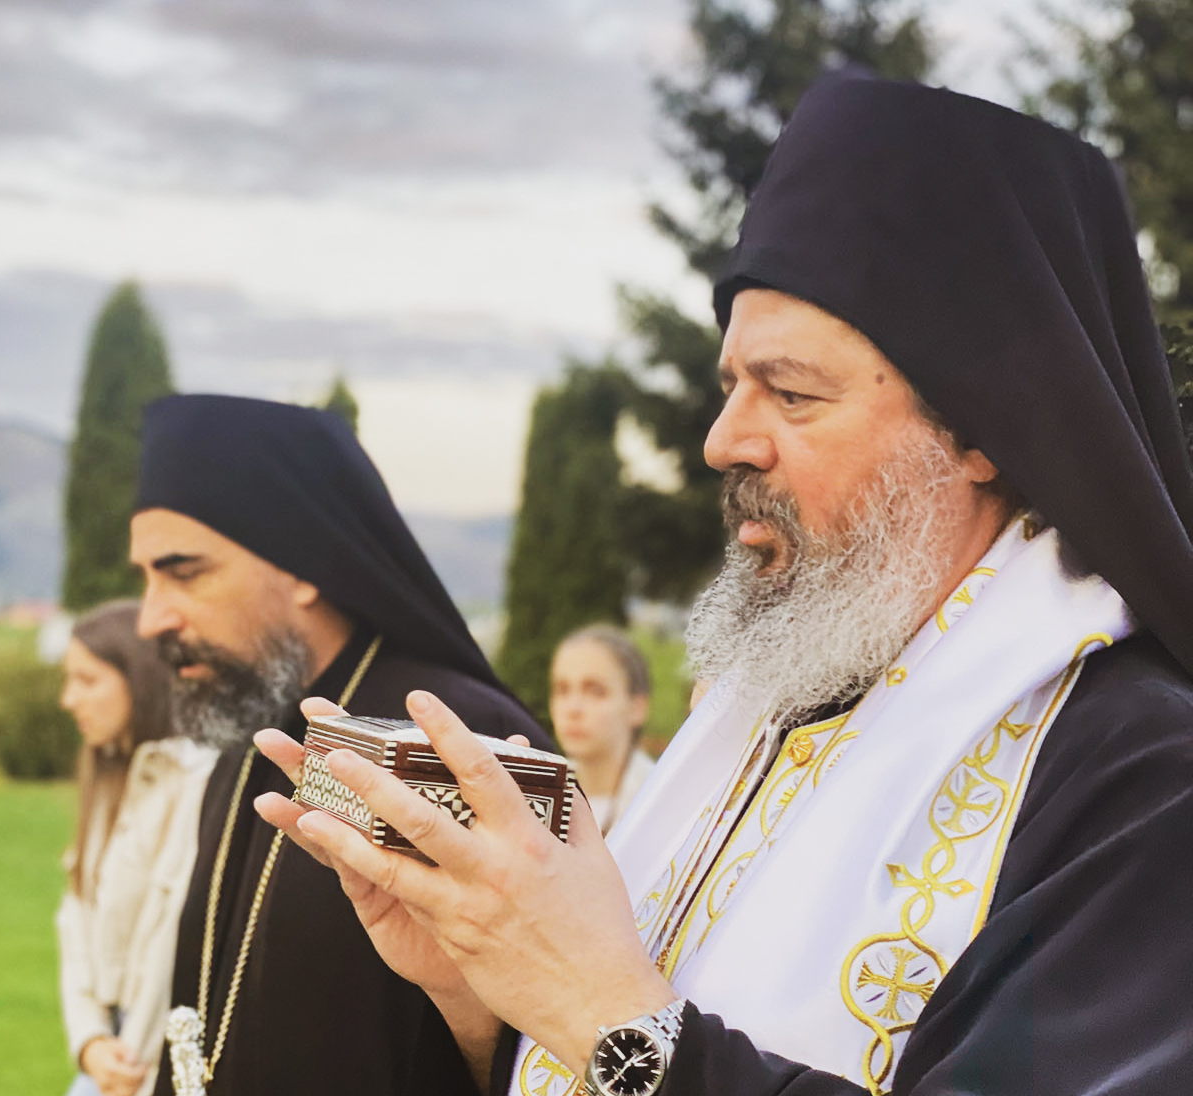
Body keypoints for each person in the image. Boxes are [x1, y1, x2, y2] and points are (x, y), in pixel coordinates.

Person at [255, 72, 1193, 1096]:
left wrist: (595, 1010)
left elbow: (628, 1023)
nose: (722, 440)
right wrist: (491, 999)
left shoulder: (1143, 775)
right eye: (730, 385)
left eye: (790, 392)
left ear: (981, 433)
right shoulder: (767, 704)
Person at [129, 394, 548, 1096]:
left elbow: (544, 1037)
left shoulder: (454, 741)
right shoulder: (253, 731)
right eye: (145, 578)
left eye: (184, 572)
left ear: (301, 564)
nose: (150, 618)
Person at [56, 600, 215, 1096]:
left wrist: (133, 1062)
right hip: (107, 1056)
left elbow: (173, 938)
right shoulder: (106, 778)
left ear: (140, 679)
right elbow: (75, 917)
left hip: (148, 1065)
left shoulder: (197, 783)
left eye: (87, 680)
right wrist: (90, 1039)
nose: (67, 700)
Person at [549, 625, 654, 834]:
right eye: (562, 690)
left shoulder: (661, 799)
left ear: (637, 708)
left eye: (595, 691)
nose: (573, 708)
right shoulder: (541, 793)